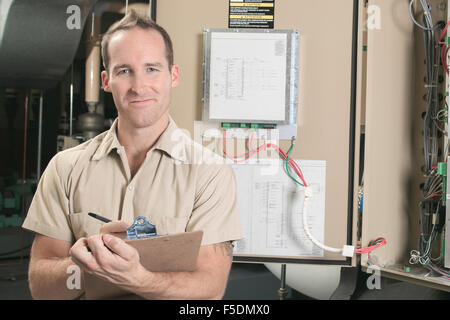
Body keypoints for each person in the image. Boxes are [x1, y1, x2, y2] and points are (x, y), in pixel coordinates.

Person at [22, 10, 241, 300]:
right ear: (105, 80)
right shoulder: (65, 167)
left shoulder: (210, 172)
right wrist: (90, 263)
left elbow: (209, 288)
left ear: (173, 75)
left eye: (152, 68)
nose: (138, 86)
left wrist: (137, 277)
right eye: (124, 70)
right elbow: (41, 287)